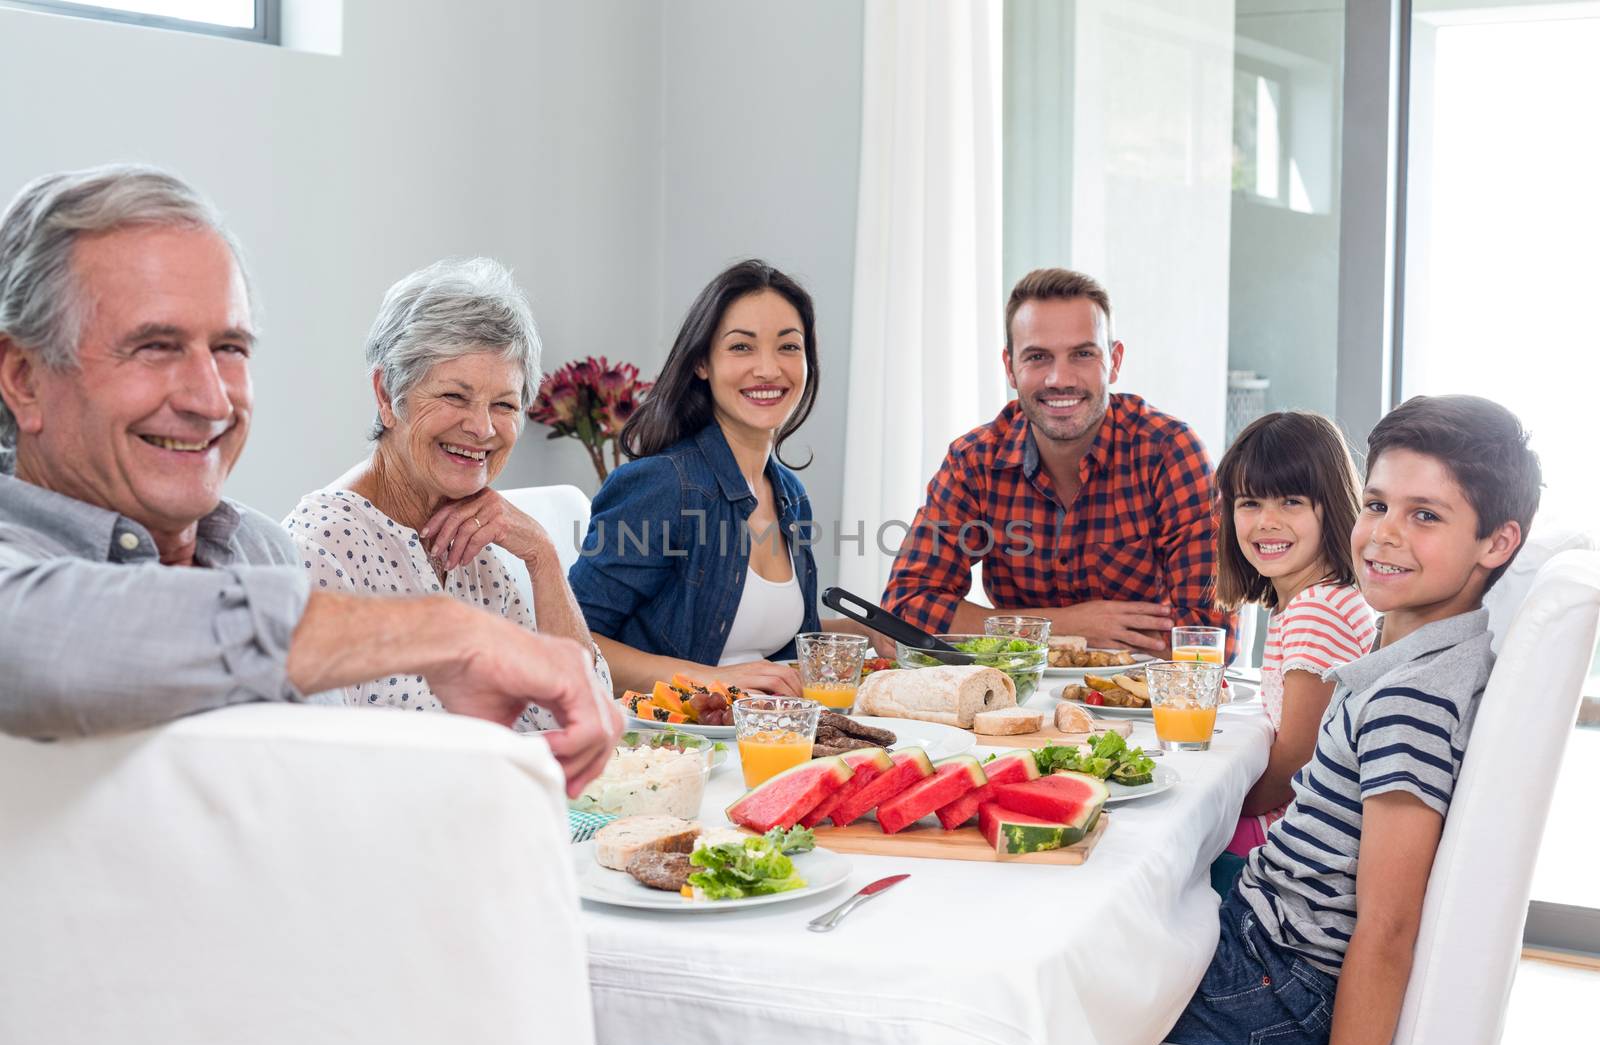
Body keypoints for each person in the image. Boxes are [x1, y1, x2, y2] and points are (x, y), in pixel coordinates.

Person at [0, 164, 619, 795]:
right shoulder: (309, 549)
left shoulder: (257, 550)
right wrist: (446, 633)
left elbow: (323, 803)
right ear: (23, 378)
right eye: (154, 346)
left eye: (230, 349)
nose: (211, 400)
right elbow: (43, 640)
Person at [1165, 395, 1540, 1045]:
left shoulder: (1411, 701)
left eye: (1424, 514)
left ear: (1497, 541)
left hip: (1276, 975)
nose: (1384, 533)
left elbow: (1388, 926)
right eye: (1377, 504)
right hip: (1264, 938)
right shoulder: (1403, 650)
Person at [283, 258, 610, 726]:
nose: (481, 428)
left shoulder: (480, 542)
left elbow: (583, 716)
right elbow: (326, 763)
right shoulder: (318, 550)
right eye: (455, 397)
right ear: (386, 395)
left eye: (503, 405)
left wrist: (542, 555)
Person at [568, 259, 883, 696]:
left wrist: (855, 631)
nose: (769, 369)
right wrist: (712, 682)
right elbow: (569, 643)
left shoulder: (790, 494)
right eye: (741, 347)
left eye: (788, 347)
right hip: (663, 747)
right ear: (702, 363)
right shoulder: (665, 486)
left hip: (760, 738)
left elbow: (748, 634)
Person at [882, 268, 1230, 655]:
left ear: (1114, 361)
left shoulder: (1169, 453)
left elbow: (1210, 635)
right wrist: (1061, 627)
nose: (1059, 378)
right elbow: (904, 612)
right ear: (1010, 367)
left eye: (1082, 354)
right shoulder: (974, 461)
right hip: (1010, 701)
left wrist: (1003, 632)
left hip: (1143, 704)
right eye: (1037, 357)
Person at [1210, 412, 1376, 891]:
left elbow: (1296, 764)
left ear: (1333, 507)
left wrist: (1218, 807)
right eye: (1250, 503)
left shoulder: (1316, 612)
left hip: (1292, 851)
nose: (1267, 522)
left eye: (1291, 501)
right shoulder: (1318, 599)